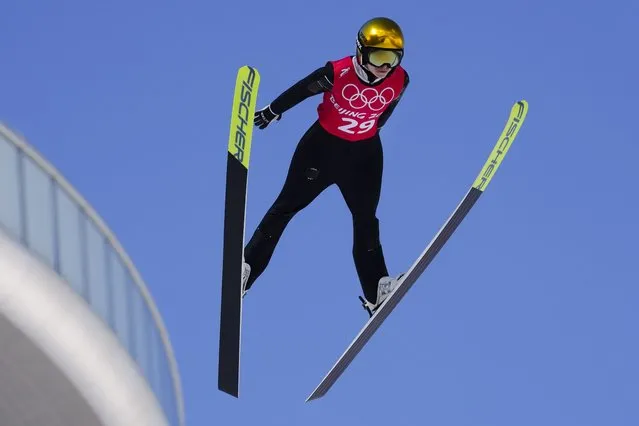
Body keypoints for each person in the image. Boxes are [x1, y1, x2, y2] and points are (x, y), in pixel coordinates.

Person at [242, 17, 410, 315]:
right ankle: (245, 271)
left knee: (366, 219)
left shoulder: (400, 80)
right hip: (321, 150)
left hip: (365, 156)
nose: (385, 67)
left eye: (392, 59)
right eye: (378, 57)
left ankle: (376, 289)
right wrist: (272, 111)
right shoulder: (337, 73)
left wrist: (371, 129)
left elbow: (387, 108)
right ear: (361, 51)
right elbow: (301, 90)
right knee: (284, 209)